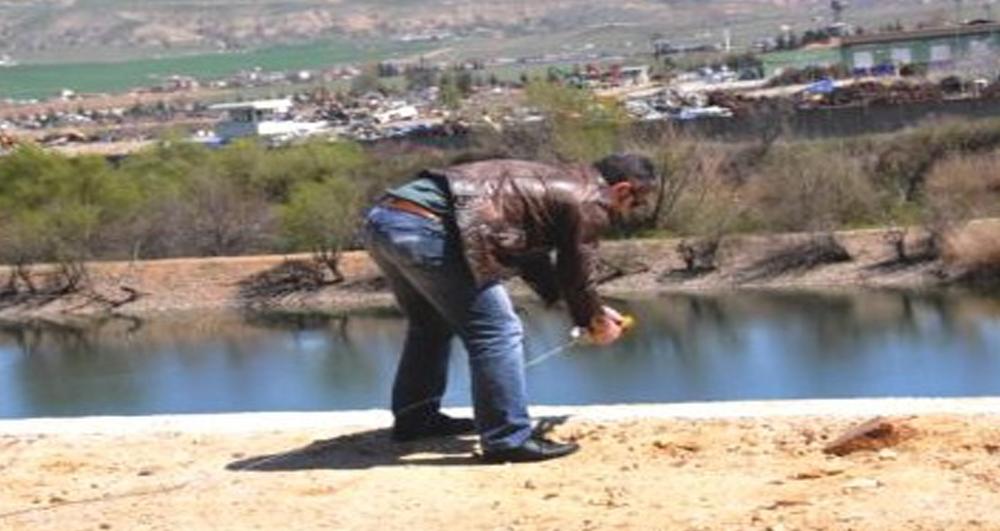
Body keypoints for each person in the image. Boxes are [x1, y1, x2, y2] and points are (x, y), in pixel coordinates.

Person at [361, 153, 658, 463]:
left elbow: (532, 259)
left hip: (384, 219)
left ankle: (416, 420)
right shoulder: (590, 200)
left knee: (431, 325)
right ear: (622, 189)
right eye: (635, 204)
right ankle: (506, 438)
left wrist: (587, 310)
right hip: (428, 229)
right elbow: (577, 274)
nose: (629, 212)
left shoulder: (553, 180)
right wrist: (591, 320)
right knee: (498, 332)